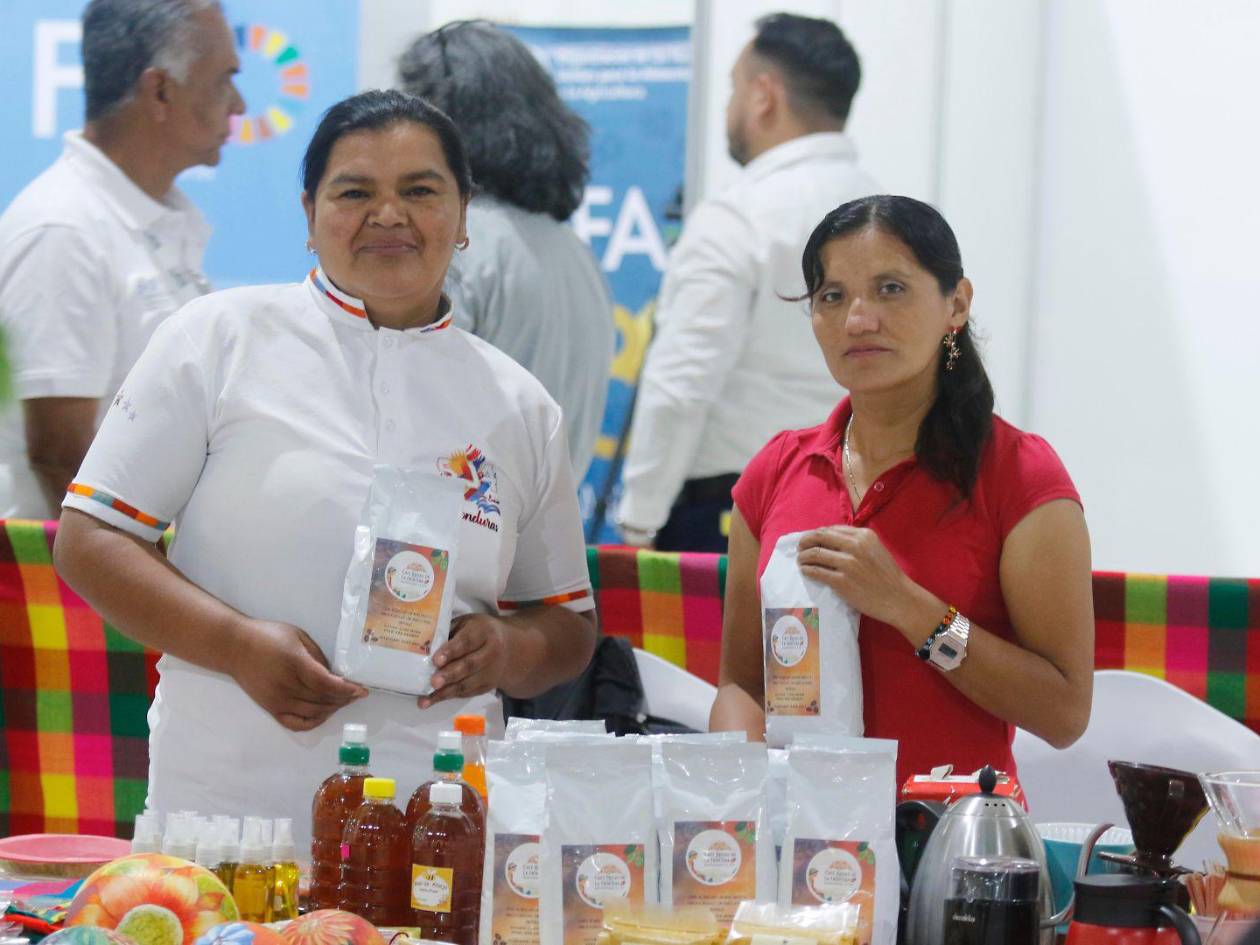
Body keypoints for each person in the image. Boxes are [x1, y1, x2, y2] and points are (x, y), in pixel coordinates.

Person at [53, 90, 598, 847]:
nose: (388, 215)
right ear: (309, 215)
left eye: (420, 191)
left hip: (434, 822)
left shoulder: (519, 405)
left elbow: (567, 623)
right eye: (354, 192)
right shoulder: (217, 341)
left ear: (464, 216)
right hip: (226, 810)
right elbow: (90, 540)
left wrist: (508, 649)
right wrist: (236, 645)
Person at [709, 196, 1095, 785]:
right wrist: (737, 788)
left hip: (952, 831)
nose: (858, 320)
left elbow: (1064, 713)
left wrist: (909, 608)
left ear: (955, 304)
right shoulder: (776, 470)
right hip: (803, 829)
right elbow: (741, 683)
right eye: (832, 296)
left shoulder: (1020, 475)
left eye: (890, 289)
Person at [616, 12, 877, 551]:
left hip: (736, 515)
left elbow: (681, 384)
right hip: (864, 507)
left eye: (734, 88)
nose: (729, 106)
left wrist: (639, 521)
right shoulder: (891, 217)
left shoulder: (738, 218)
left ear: (764, 96)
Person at [0, 0, 244, 518]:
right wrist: (160, 569)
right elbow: (61, 458)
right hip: (78, 568)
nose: (240, 105)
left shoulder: (146, 219)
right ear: (160, 91)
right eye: (225, 80)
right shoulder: (64, 229)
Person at [398, 20, 614, 481]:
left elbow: (410, 424)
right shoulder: (574, 253)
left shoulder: (458, 245)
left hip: (455, 518)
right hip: (546, 514)